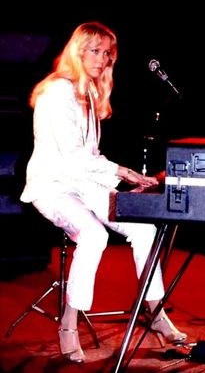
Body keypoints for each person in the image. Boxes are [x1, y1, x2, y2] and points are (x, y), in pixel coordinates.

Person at [20, 21, 187, 364]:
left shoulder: (91, 92)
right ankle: (68, 323)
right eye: (94, 51)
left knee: (145, 228)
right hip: (52, 185)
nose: (102, 59)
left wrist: (124, 186)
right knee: (93, 234)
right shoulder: (56, 91)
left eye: (107, 53)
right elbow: (72, 156)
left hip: (83, 183)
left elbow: (90, 158)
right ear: (77, 51)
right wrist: (121, 172)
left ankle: (154, 310)